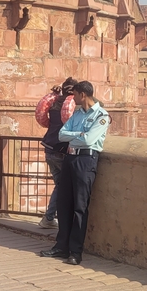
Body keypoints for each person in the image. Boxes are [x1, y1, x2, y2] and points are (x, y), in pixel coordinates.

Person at [40, 81, 109, 266]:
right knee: (64, 204)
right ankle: (61, 246)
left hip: (86, 161)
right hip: (70, 159)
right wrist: (79, 135)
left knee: (80, 207)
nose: (73, 98)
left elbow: (89, 140)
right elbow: (62, 135)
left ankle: (75, 252)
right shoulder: (78, 114)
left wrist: (76, 136)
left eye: (75, 95)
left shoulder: (101, 116)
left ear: (83, 95)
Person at [35, 78, 77, 229]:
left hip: (49, 147)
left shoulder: (54, 104)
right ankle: (50, 218)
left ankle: (49, 217)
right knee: (63, 186)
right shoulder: (73, 106)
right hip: (61, 150)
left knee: (60, 185)